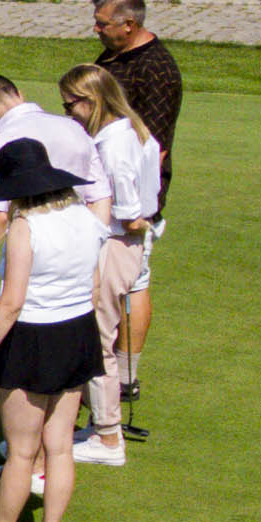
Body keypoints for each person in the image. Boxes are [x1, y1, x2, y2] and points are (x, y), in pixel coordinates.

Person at [0, 138, 107, 522]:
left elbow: (11, 302)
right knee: (58, 447)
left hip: (34, 338)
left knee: (22, 450)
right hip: (78, 333)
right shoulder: (85, 216)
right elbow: (94, 288)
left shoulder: (25, 228)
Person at [59, 63, 161, 467]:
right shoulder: (133, 130)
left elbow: (128, 208)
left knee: (97, 338)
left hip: (115, 242)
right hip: (130, 243)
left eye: (71, 105)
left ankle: (107, 437)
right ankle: (102, 425)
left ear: (91, 100)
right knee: (102, 333)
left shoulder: (113, 143)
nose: (68, 113)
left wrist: (131, 219)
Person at [0, 74, 109, 322]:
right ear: (18, 94)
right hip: (81, 253)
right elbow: (100, 195)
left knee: (23, 334)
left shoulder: (4, 136)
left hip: (32, 254)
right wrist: (93, 246)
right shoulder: (73, 127)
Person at [92, 0, 183, 247]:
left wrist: (133, 208)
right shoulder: (115, 52)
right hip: (103, 180)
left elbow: (154, 147)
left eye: (102, 24)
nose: (96, 29)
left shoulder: (156, 70)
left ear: (129, 24)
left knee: (117, 278)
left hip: (127, 198)